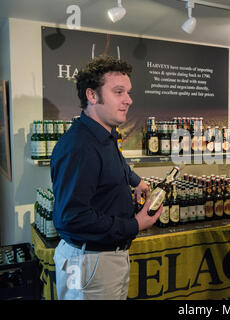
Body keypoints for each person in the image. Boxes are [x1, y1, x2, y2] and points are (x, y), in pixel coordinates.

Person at [51, 55, 162, 300]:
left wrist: (135, 181)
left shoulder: (104, 134)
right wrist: (137, 224)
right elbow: (72, 218)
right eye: (118, 92)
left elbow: (114, 164)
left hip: (106, 259)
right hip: (89, 262)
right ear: (92, 95)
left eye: (128, 92)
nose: (129, 100)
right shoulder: (79, 147)